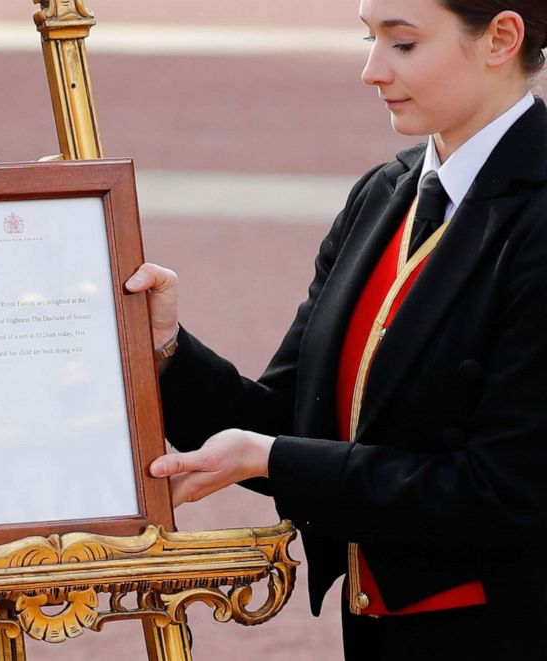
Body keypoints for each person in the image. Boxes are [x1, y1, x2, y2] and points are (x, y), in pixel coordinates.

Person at [125, 0, 547, 657]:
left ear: (501, 38)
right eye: (368, 37)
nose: (371, 69)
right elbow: (292, 423)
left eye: (402, 43)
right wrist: (163, 348)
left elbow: (504, 491)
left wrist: (270, 457)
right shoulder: (385, 193)